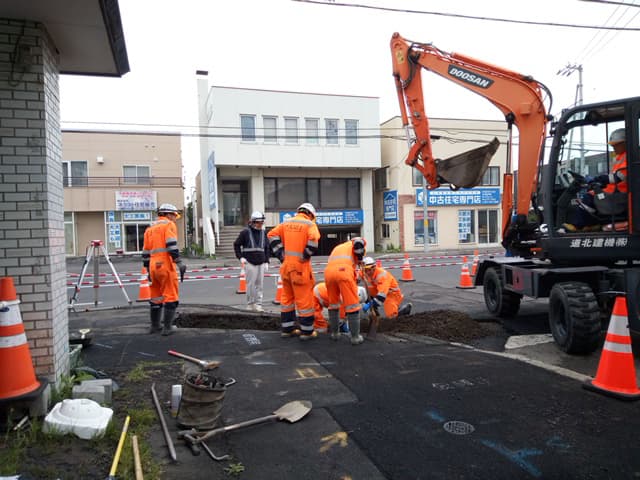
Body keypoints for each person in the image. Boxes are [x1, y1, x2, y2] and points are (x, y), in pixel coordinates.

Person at [557, 128, 628, 233]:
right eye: (612, 145)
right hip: (615, 191)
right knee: (591, 193)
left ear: (625, 143)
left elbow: (618, 177)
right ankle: (591, 224)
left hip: (619, 194)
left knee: (588, 197)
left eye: (616, 145)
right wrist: (599, 182)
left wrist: (597, 179)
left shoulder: (629, 157)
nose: (613, 147)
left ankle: (577, 225)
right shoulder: (621, 157)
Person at [267, 203, 321, 340]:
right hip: (300, 269)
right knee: (304, 301)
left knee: (287, 299)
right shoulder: (309, 224)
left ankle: (287, 329)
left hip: (286, 267)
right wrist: (306, 255)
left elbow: (271, 234)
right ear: (310, 214)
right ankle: (307, 332)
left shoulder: (286, 223)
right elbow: (314, 240)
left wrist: (280, 254)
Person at [142, 203, 187, 336]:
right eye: (174, 215)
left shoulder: (150, 228)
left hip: (152, 265)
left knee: (156, 296)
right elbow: (171, 245)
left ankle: (155, 326)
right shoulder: (168, 225)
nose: (174, 218)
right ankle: (168, 328)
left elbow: (145, 252)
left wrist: (148, 270)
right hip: (165, 264)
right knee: (170, 295)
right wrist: (179, 262)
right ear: (168, 214)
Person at [324, 237, 367, 345]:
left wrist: (355, 275)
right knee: (352, 305)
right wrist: (360, 258)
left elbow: (347, 262)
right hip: (343, 272)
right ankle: (355, 337)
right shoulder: (357, 242)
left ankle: (335, 334)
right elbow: (358, 244)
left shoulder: (340, 247)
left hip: (329, 274)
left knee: (333, 304)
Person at [233, 211, 270, 312]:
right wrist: (240, 257)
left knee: (260, 285)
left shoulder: (263, 233)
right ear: (253, 222)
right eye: (258, 222)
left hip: (261, 262)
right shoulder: (245, 233)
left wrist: (267, 261)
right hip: (249, 262)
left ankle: (258, 304)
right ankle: (250, 304)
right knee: (250, 285)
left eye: (261, 222)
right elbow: (236, 245)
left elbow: (267, 248)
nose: (260, 224)